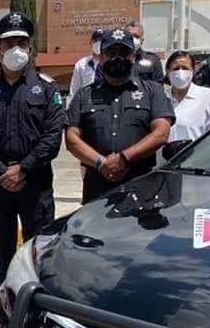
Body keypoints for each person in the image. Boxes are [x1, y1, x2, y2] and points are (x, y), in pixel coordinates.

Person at [0, 12, 65, 284]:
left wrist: (22, 169)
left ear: (30, 48)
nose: (16, 50)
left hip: (35, 182)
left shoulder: (46, 88)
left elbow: (52, 137)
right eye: (9, 44)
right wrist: (3, 171)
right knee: (2, 249)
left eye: (21, 43)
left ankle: (38, 300)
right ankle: (6, 297)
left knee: (39, 250)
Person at [64, 29, 174, 203]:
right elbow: (71, 139)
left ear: (133, 56)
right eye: (111, 53)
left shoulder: (152, 91)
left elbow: (161, 133)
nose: (118, 58)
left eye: (124, 53)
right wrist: (101, 163)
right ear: (101, 57)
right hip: (96, 185)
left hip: (141, 183)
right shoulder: (84, 95)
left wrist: (124, 158)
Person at [165, 51, 210, 142]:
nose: (180, 72)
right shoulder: (161, 98)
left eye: (185, 68)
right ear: (168, 71)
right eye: (176, 68)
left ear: (193, 71)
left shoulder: (207, 96)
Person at [69, 29, 104, 101]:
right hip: (87, 104)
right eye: (96, 40)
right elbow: (74, 90)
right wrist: (70, 105)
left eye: (101, 40)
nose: (98, 43)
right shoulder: (81, 64)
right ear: (90, 43)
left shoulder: (111, 63)